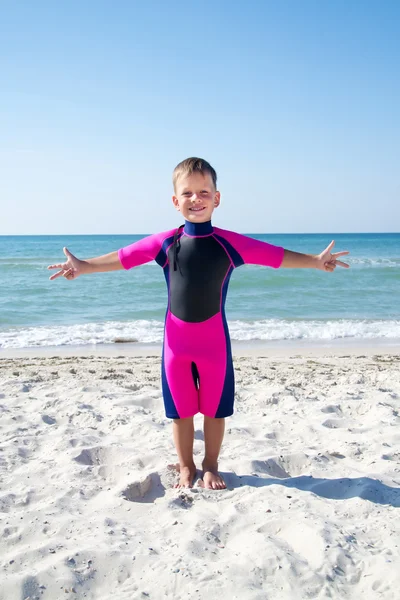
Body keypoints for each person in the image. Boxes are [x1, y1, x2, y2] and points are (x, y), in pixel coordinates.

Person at [48, 157, 350, 490]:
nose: (196, 199)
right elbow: (123, 258)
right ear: (176, 201)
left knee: (214, 411)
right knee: (180, 411)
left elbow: (275, 256)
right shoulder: (165, 243)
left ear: (216, 198)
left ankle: (210, 465)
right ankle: (185, 466)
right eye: (187, 193)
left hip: (214, 345)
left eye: (204, 191)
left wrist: (314, 262)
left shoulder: (229, 243)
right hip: (175, 346)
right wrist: (83, 265)